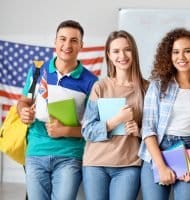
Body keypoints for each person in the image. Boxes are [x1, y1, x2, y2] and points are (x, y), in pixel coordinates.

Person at [17, 20, 98, 200]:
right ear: (55, 42)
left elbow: (94, 128)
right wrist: (23, 111)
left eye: (73, 40)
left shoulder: (92, 82)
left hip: (70, 156)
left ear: (81, 45)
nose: (67, 45)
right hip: (36, 151)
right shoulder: (38, 72)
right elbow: (24, 101)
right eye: (62, 39)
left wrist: (67, 130)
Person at [138, 28, 190, 200]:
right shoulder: (158, 86)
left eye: (187, 51)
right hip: (158, 152)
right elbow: (148, 128)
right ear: (169, 56)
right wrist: (161, 166)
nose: (181, 57)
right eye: (176, 52)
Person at [81, 30, 148, 200]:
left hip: (129, 165)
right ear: (109, 55)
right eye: (116, 51)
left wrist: (138, 131)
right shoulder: (100, 87)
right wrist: (115, 121)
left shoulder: (147, 88)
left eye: (127, 49)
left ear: (134, 52)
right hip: (96, 163)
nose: (122, 55)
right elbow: (87, 130)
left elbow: (156, 130)